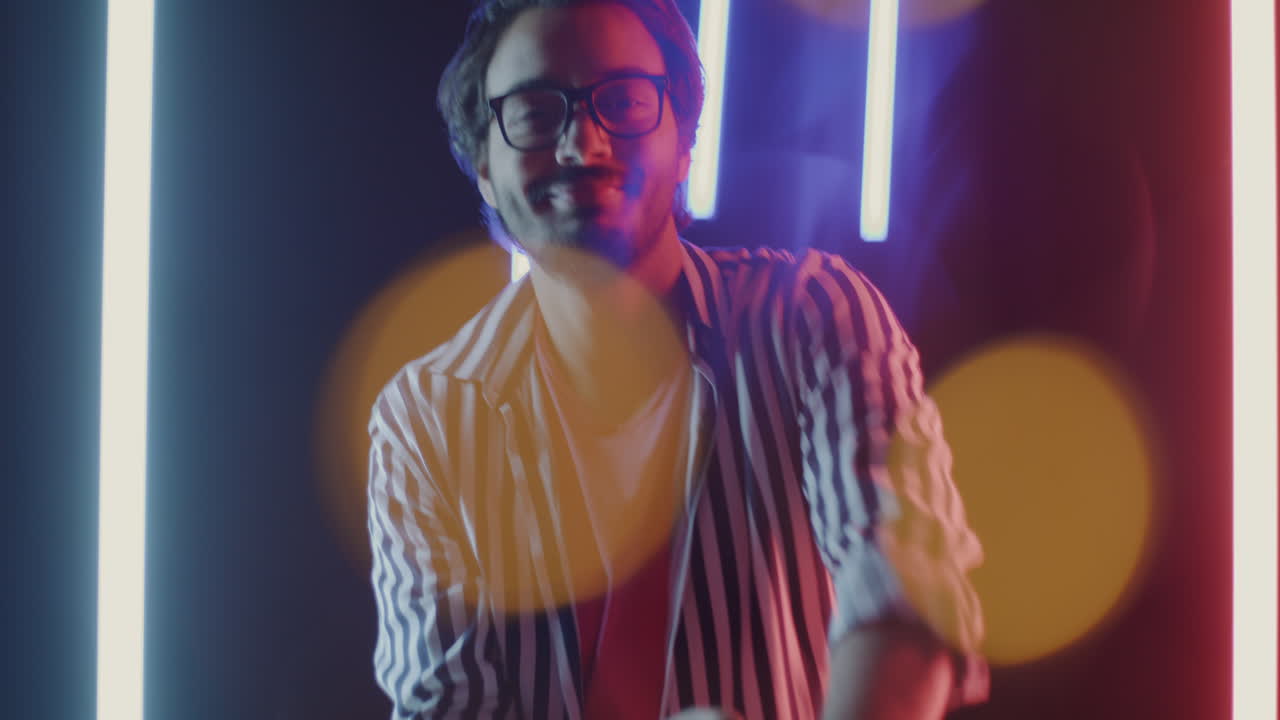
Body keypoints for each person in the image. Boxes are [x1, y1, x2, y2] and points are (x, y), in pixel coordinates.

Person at [366, 0, 988, 717]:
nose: (583, 145)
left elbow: (906, 589)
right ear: (482, 166)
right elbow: (447, 706)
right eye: (536, 112)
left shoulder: (814, 318)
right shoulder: (428, 420)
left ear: (686, 142)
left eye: (625, 102)